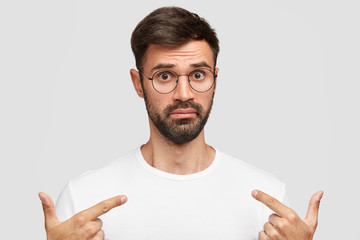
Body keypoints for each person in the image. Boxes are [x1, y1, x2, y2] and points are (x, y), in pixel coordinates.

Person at [39, 6, 323, 240]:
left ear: (215, 80)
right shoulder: (85, 199)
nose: (184, 94)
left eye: (198, 75)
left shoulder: (267, 198)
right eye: (165, 76)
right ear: (139, 84)